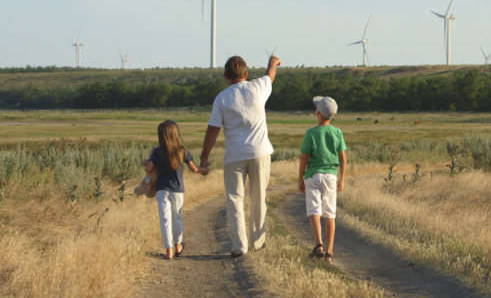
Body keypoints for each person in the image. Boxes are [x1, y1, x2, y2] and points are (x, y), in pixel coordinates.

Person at [200, 54, 280, 257]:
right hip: (260, 152)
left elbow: (213, 129)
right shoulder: (257, 87)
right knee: (258, 198)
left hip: (234, 155)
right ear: (246, 74)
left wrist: (204, 157)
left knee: (234, 199)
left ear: (226, 76)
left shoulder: (222, 98)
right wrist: (272, 63)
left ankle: (239, 246)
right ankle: (258, 243)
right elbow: (270, 76)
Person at [145, 120, 207, 260]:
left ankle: (169, 252)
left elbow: (148, 168)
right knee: (177, 218)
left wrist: (148, 161)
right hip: (178, 190)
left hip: (162, 190)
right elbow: (194, 169)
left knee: (165, 220)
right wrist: (205, 170)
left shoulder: (157, 151)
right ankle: (178, 245)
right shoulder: (183, 151)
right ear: (175, 134)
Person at [297, 96, 346, 263]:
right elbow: (343, 157)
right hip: (331, 176)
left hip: (312, 175)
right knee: (329, 214)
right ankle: (330, 253)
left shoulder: (310, 133)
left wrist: (300, 178)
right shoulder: (337, 132)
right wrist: (342, 178)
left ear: (317, 113)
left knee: (314, 212)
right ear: (332, 115)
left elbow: (304, 158)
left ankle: (319, 245)